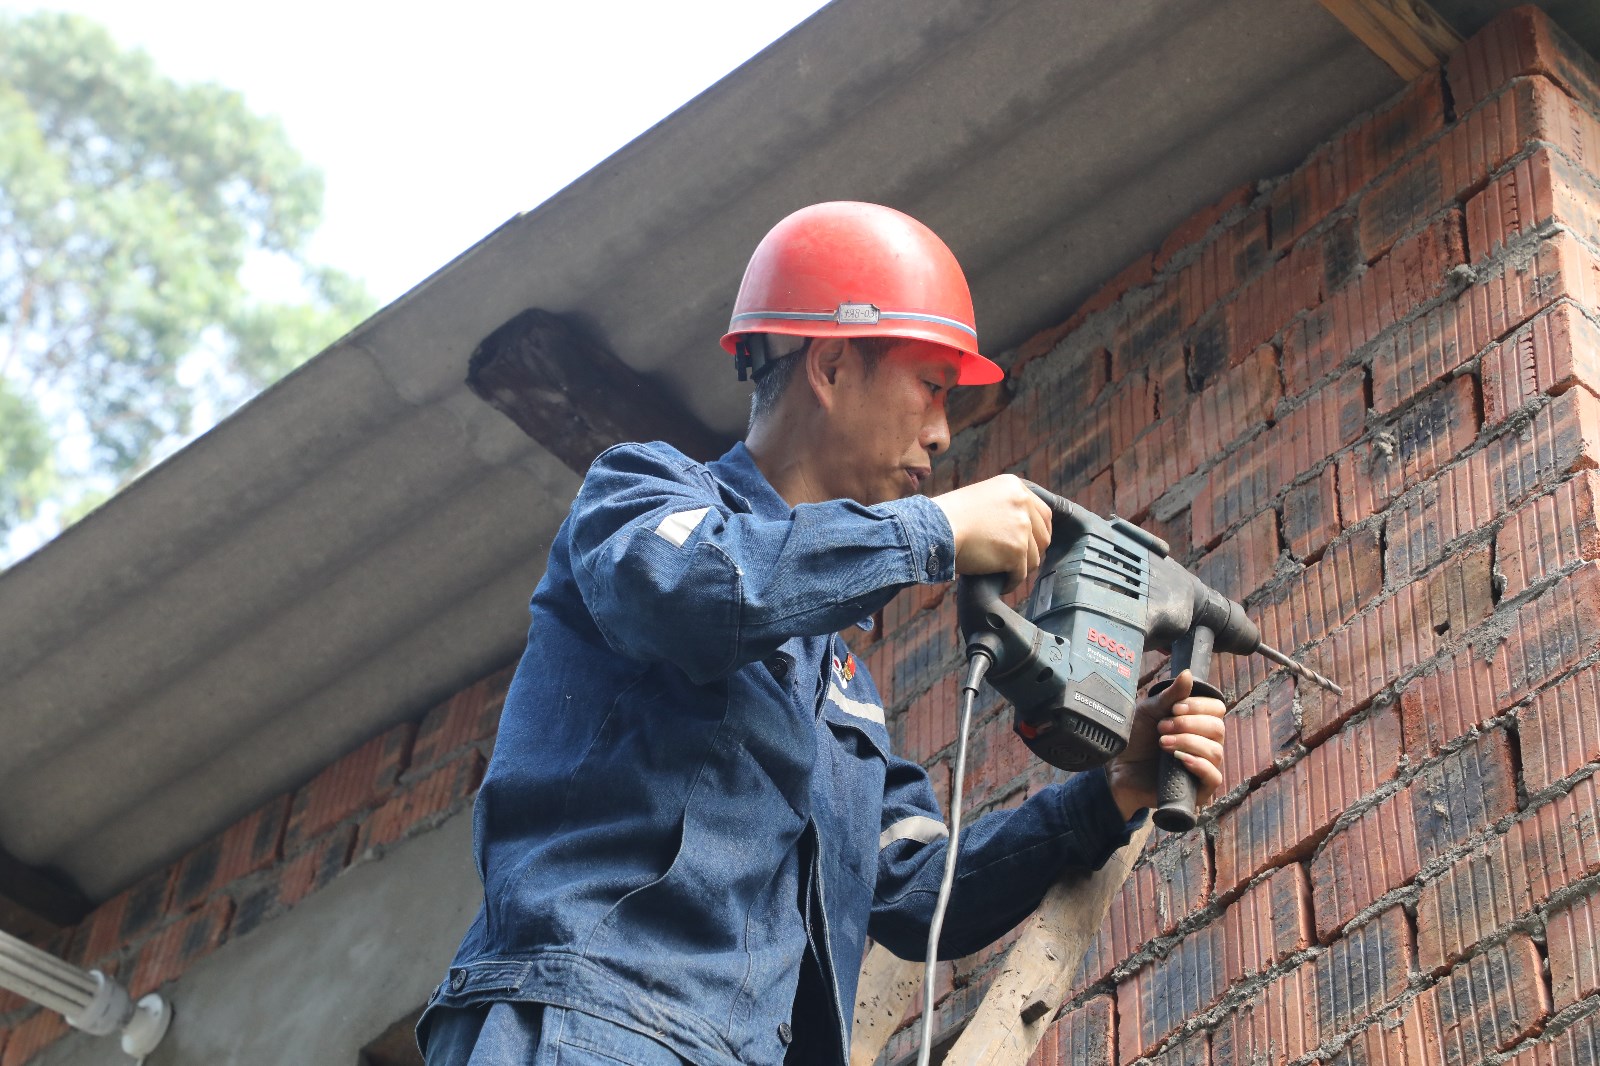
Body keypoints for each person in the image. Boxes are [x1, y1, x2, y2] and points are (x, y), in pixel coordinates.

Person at [418, 202, 1227, 1065]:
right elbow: (693, 592)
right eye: (932, 387)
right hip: (590, 1023)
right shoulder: (641, 495)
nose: (943, 432)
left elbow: (917, 894)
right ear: (833, 365)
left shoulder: (840, 689)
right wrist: (932, 531)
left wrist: (1111, 792)